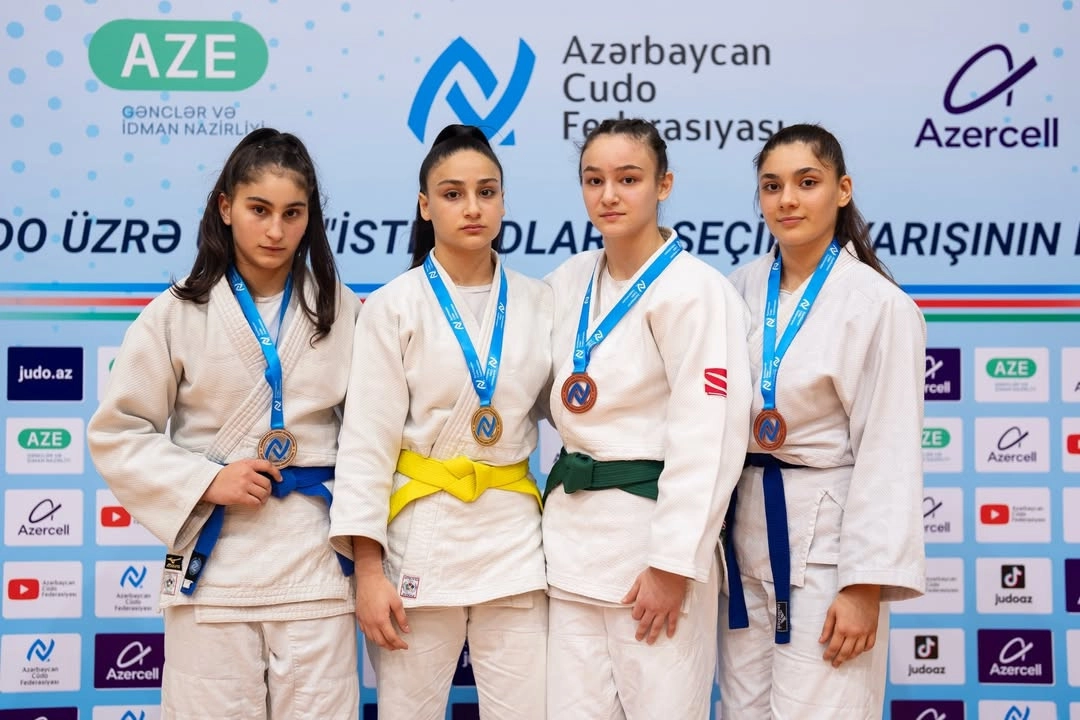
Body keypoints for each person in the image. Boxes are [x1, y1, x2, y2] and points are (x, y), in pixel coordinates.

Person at [87, 128, 362, 720]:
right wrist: (208, 481)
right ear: (226, 207)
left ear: (309, 218)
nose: (275, 230)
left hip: (314, 571)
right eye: (259, 210)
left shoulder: (341, 311)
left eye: (292, 213)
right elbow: (117, 432)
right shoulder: (175, 313)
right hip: (212, 573)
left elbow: (371, 441)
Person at [329, 124, 551, 720]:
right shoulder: (393, 306)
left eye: (486, 192)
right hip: (420, 542)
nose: (472, 208)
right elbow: (366, 445)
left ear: (502, 201)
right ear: (426, 207)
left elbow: (579, 411)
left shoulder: (540, 302)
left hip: (513, 540)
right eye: (453, 194)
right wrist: (367, 571)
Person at [542, 117, 752, 720]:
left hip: (650, 549)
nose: (609, 195)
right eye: (594, 180)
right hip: (571, 545)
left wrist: (672, 563)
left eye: (628, 179)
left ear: (664, 185)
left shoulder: (696, 290)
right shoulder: (568, 281)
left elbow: (708, 435)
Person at [717, 123, 926, 719]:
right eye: (772, 186)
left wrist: (863, 586)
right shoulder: (737, 289)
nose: (787, 199)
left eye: (807, 182)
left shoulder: (879, 305)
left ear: (842, 190)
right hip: (742, 539)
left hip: (828, 551)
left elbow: (890, 453)